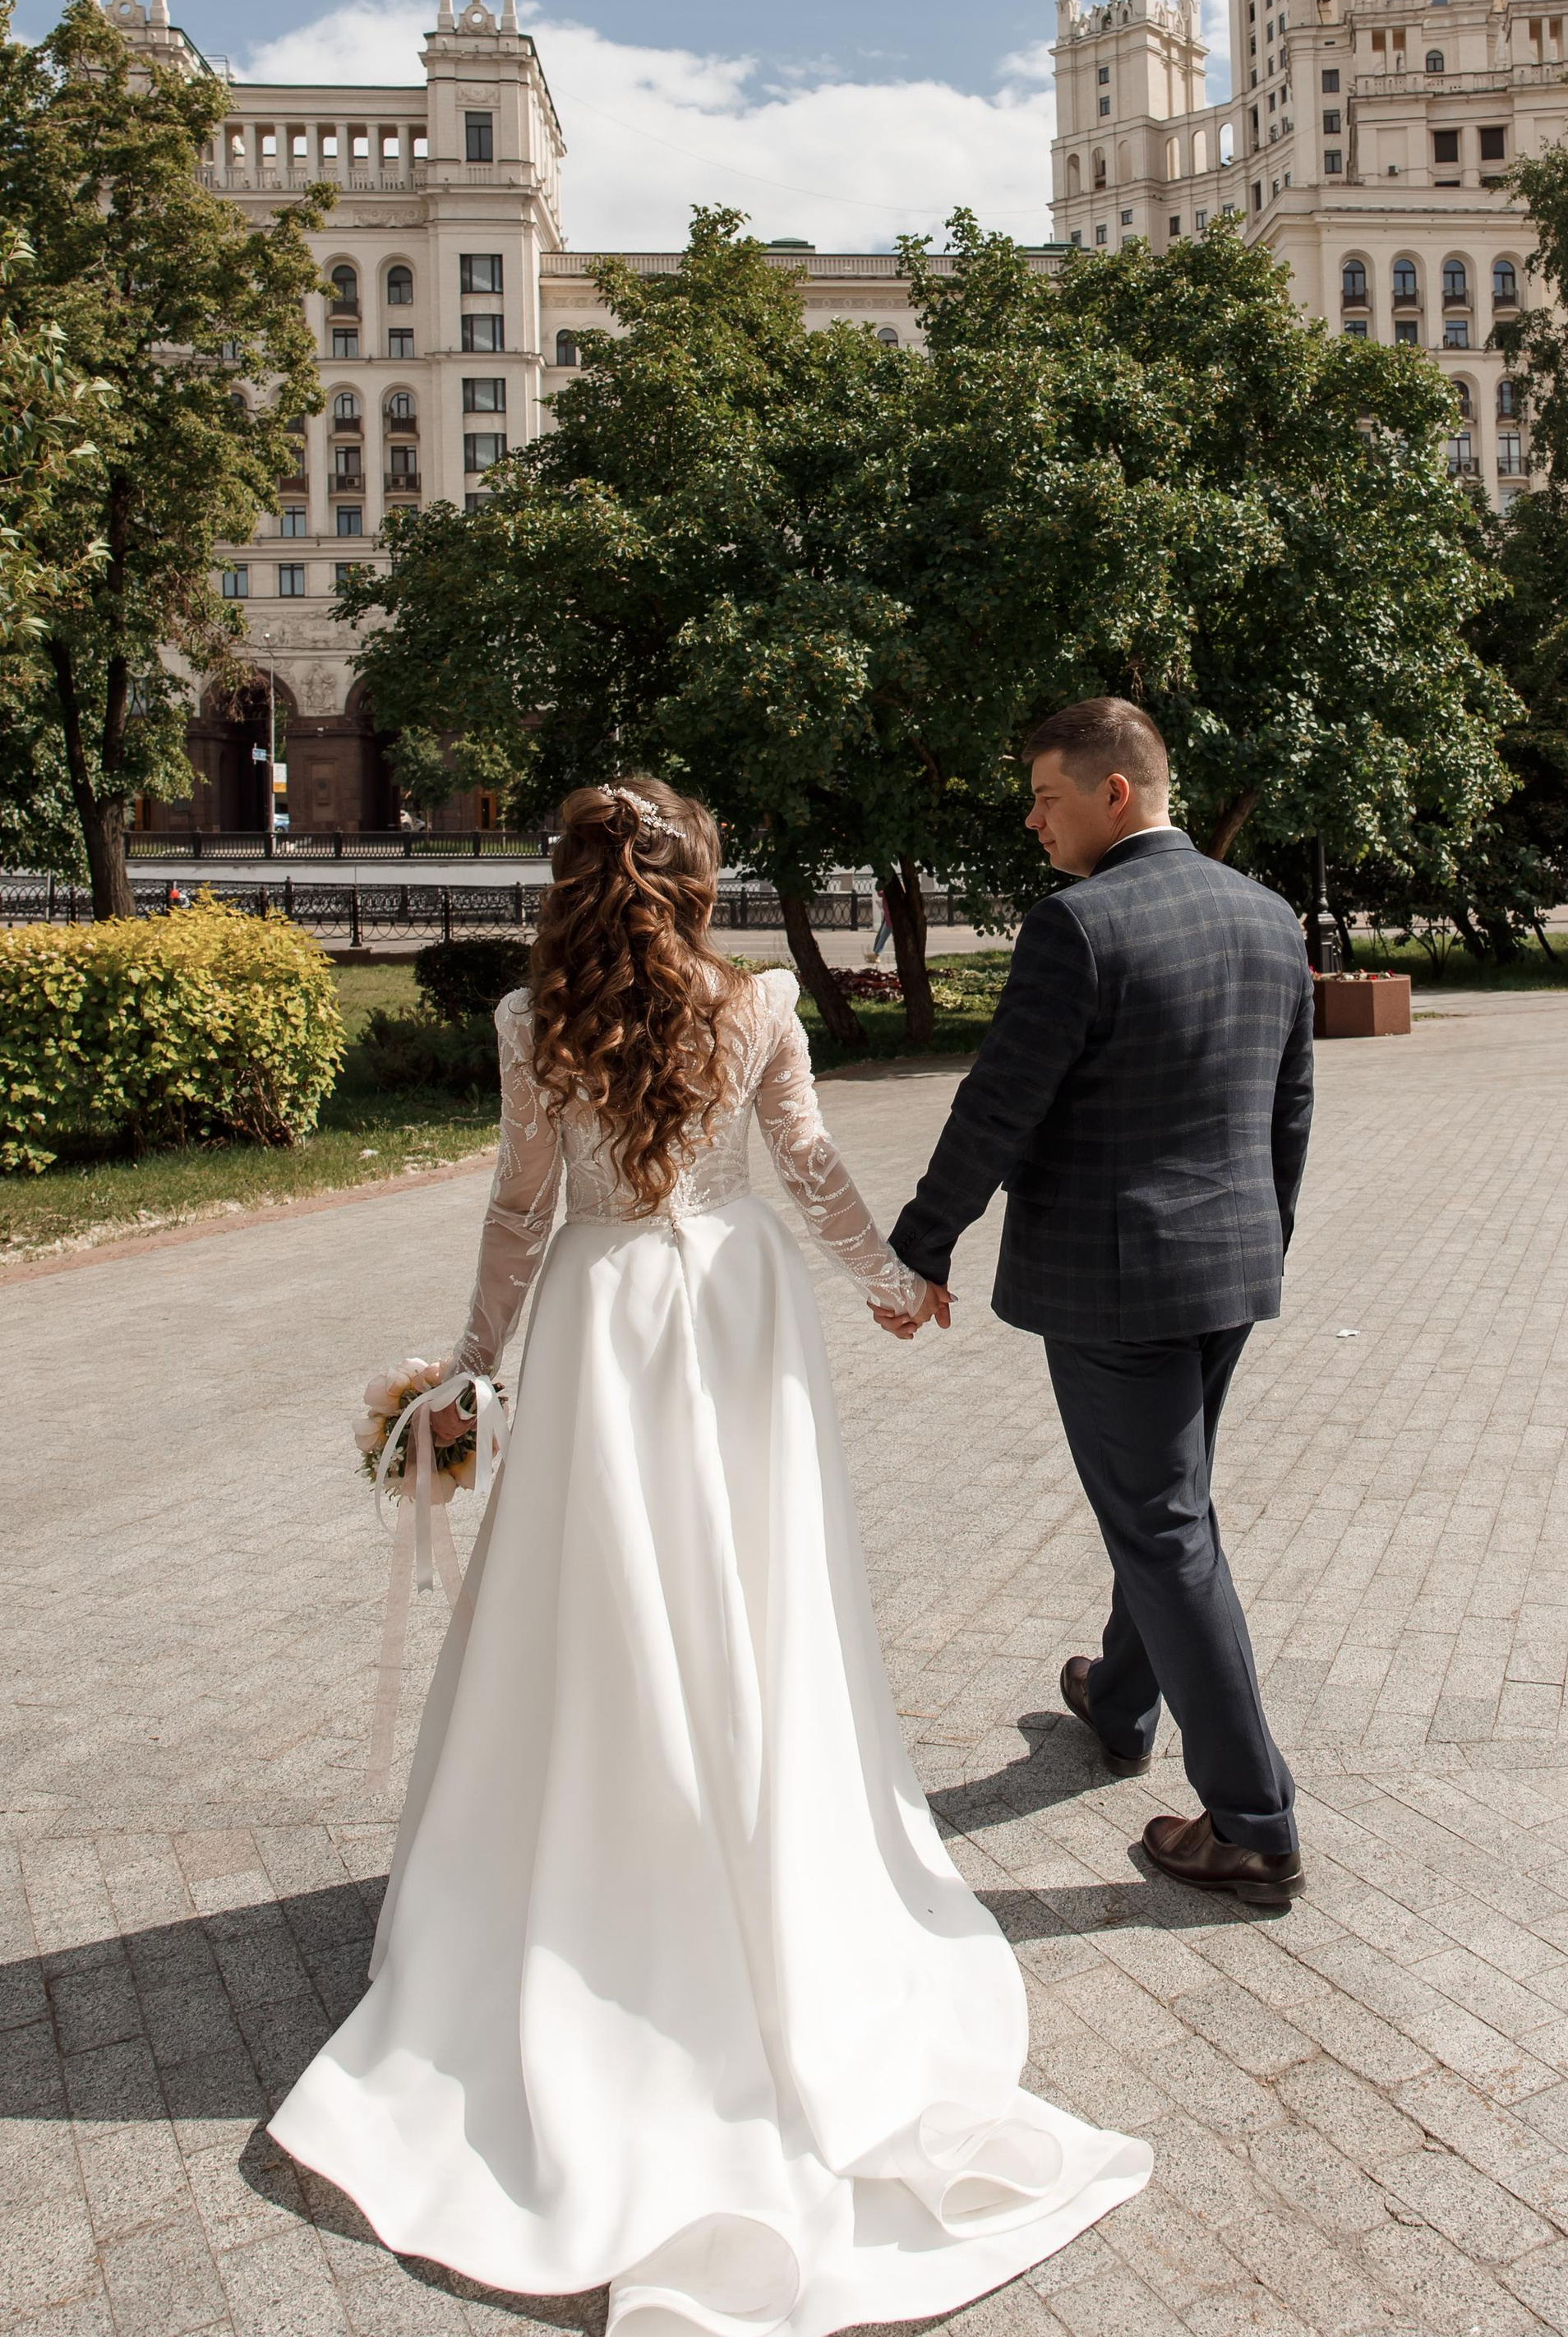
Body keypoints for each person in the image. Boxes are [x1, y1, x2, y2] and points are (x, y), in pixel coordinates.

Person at [271, 778, 1147, 2337]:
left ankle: (605, 1853)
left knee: (603, 1607)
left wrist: (468, 1363)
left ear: (571, 886)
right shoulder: (757, 1007)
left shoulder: (533, 1022)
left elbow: (522, 1215)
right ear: (697, 880)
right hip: (740, 1318)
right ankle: (751, 1837)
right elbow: (803, 1167)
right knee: (762, 1598)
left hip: (609, 1317)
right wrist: (890, 1279)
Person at [890, 700, 1314, 1911]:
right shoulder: (1268, 915)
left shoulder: (1076, 927)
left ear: (1114, 794)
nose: (1032, 820)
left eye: (1046, 797)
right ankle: (1122, 1700)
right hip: (1229, 1270)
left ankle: (1254, 1825)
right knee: (1166, 1510)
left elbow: (998, 1106)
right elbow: (1291, 1111)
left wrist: (924, 1244)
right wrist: (1257, 1246)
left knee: (1168, 1529)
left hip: (1115, 1285)